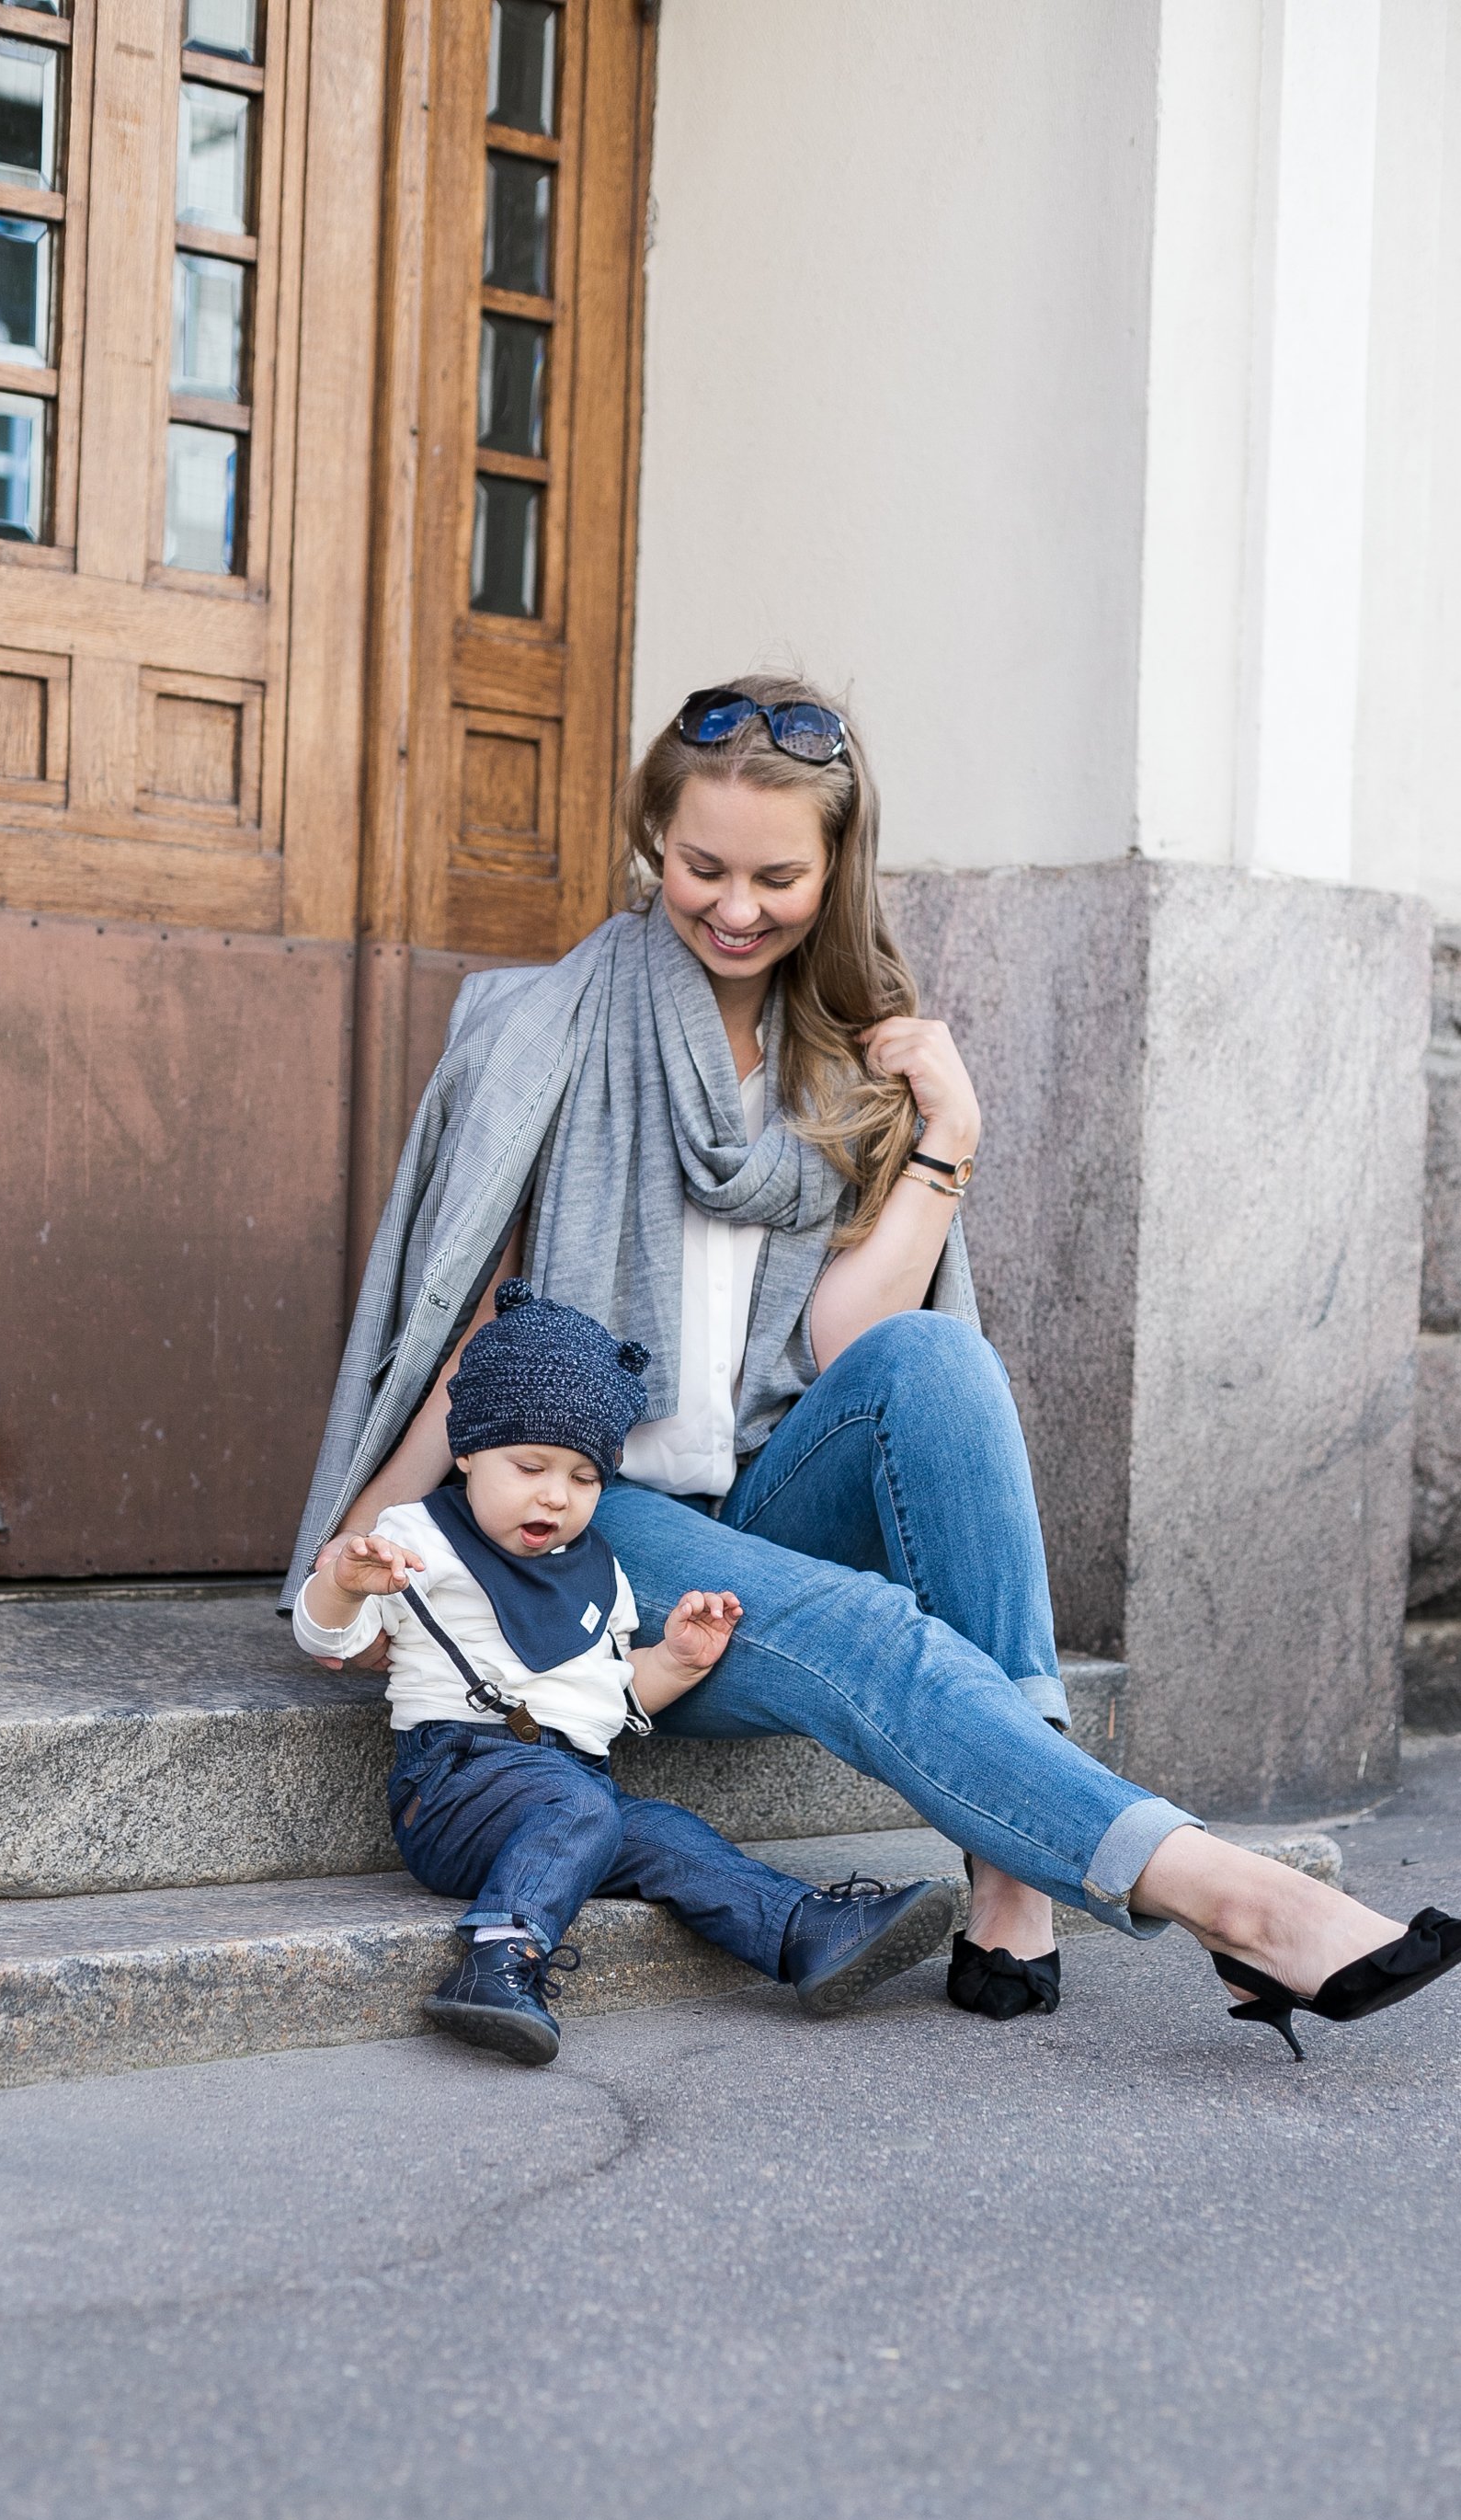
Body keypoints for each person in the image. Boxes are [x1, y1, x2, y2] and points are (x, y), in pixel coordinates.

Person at [287, 675, 1461, 2060]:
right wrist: (376, 1542)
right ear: (652, 841)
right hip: (595, 1537)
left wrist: (947, 1134)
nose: (734, 906)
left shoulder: (845, 1059)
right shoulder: (546, 1034)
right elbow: (475, 1330)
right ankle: (1230, 1899)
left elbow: (850, 1350)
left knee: (936, 1360)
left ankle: (1014, 1870)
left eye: (777, 876)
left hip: (762, 1498)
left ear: (836, 867)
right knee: (865, 1629)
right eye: (700, 866)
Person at [292, 1281, 957, 2066]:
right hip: (453, 1787)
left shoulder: (597, 1572)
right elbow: (327, 1639)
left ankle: (804, 1932)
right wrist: (343, 1584)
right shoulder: (417, 1538)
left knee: (668, 1833)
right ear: (467, 1449)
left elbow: (608, 1698)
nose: (555, 1494)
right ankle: (498, 1956)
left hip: (568, 1782)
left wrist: (674, 1661)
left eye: (583, 1478)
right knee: (582, 1805)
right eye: (530, 1465)